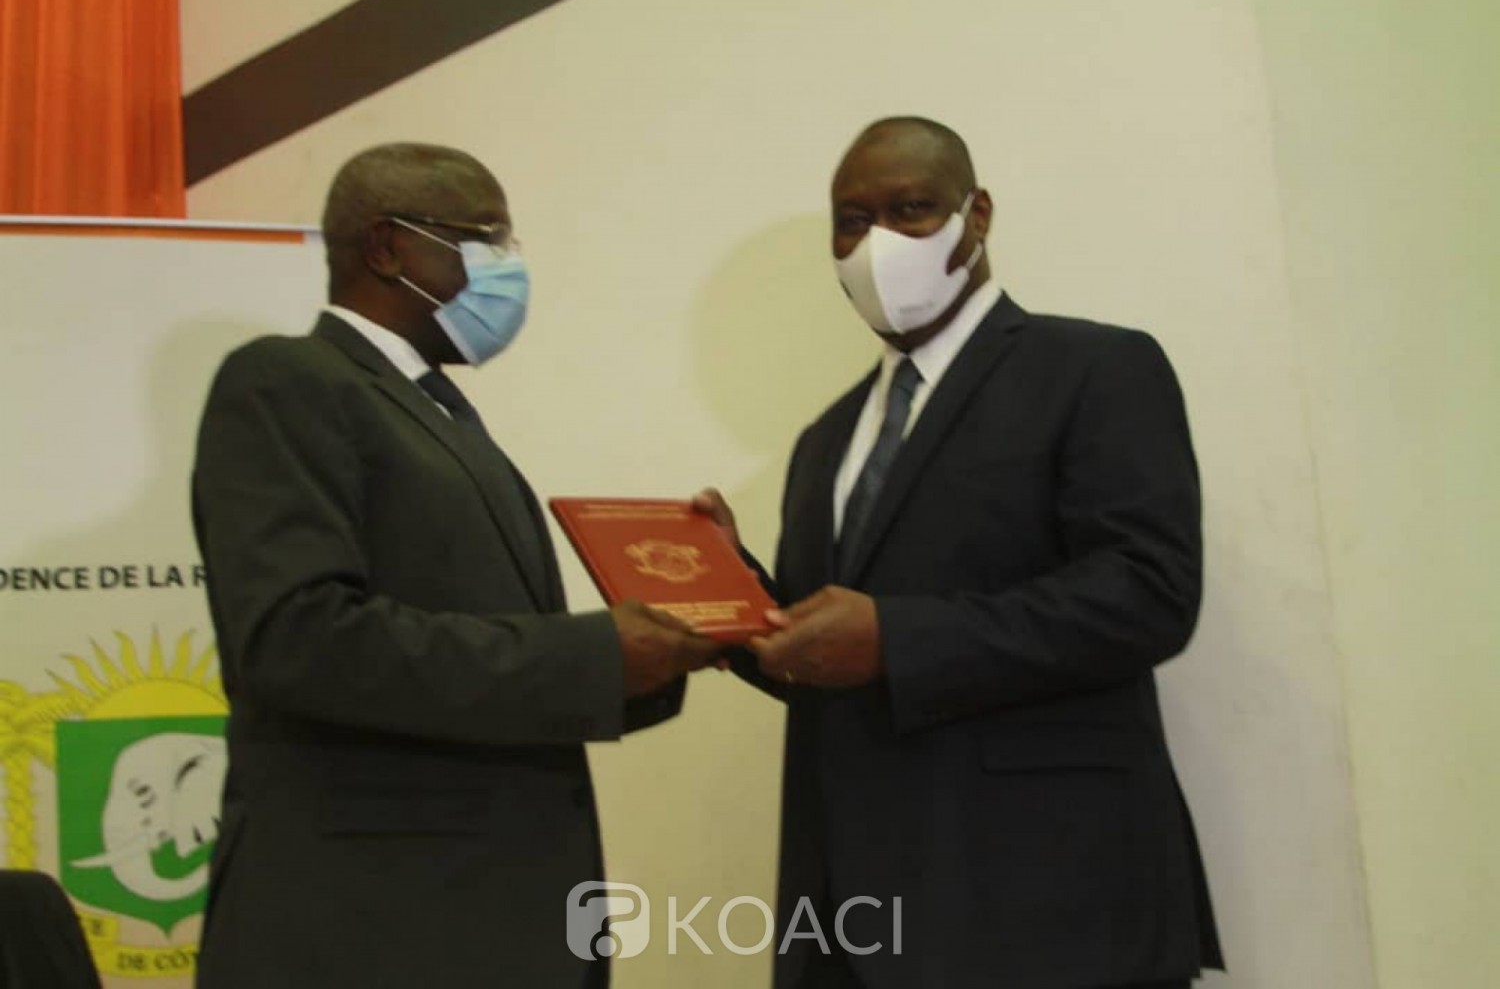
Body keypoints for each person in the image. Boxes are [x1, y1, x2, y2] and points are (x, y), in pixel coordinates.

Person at [699, 117, 1223, 988]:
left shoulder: (1096, 367)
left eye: (910, 209)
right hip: (855, 917)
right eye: (852, 221)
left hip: (1050, 906)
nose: (877, 244)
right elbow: (829, 655)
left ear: (976, 215)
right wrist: (734, 596)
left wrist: (896, 638)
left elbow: (1149, 592)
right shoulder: (825, 438)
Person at [191, 142, 718, 989]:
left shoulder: (437, 410)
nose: (508, 267)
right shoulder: (286, 380)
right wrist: (594, 654)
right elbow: (299, 639)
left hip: (487, 917)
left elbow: (501, 653)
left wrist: (674, 640)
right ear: (388, 247)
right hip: (373, 928)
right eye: (484, 239)